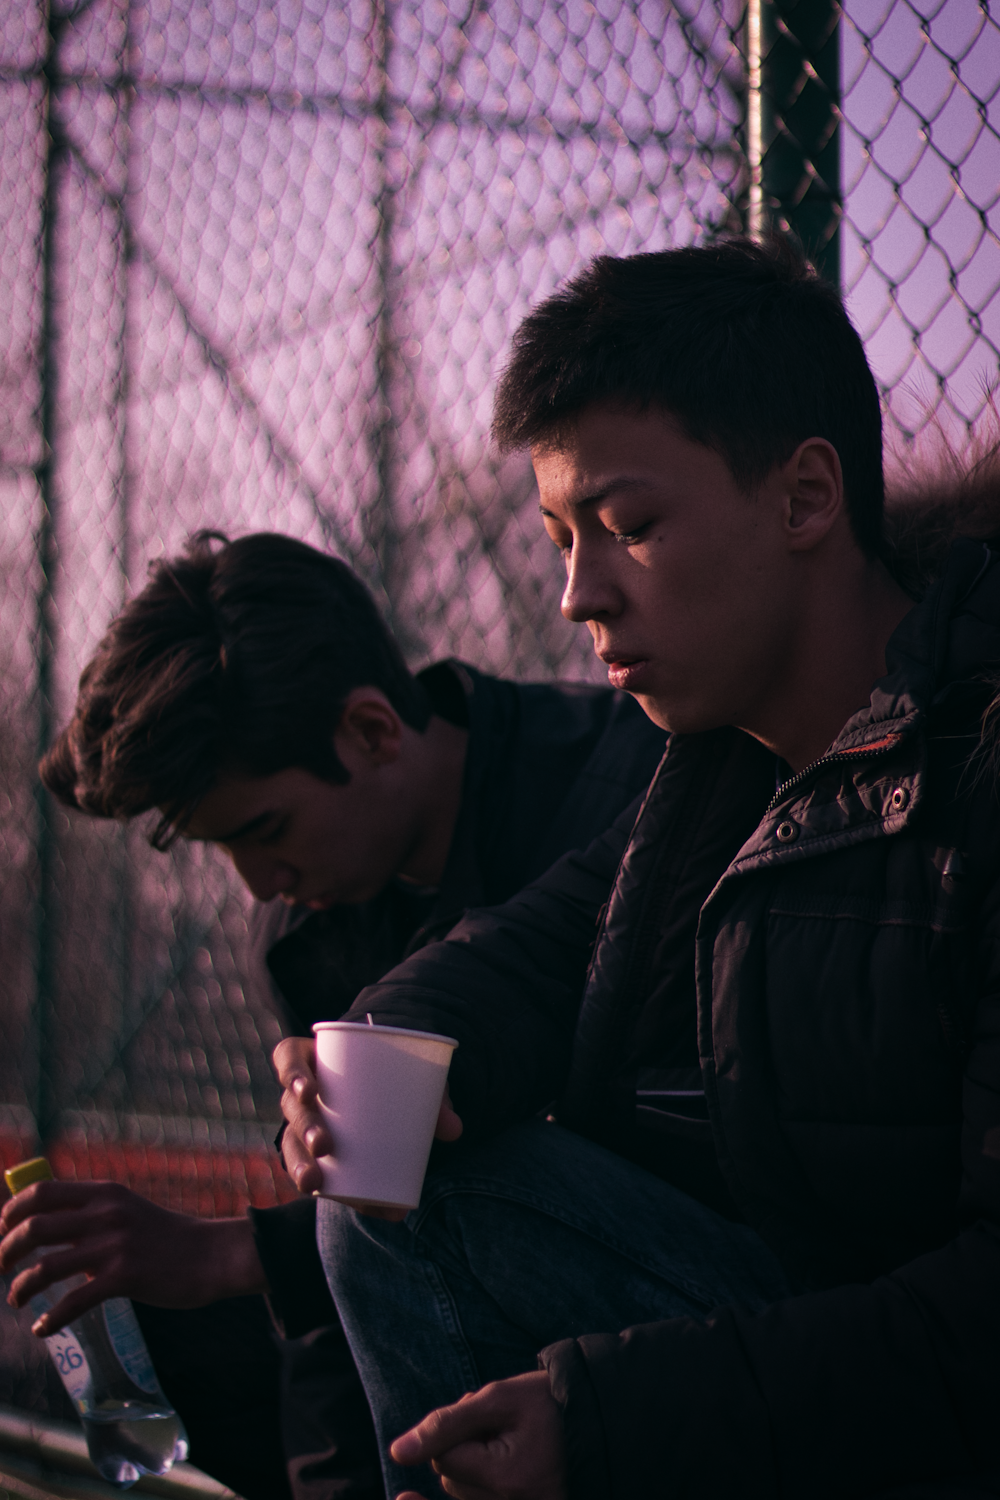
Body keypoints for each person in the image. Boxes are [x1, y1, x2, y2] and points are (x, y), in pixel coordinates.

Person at [275, 239, 1000, 1500]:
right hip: (807, 1345)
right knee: (398, 1192)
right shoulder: (728, 764)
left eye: (627, 527)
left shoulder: (975, 768)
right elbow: (540, 947)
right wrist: (387, 1045)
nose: (574, 595)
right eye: (560, 536)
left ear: (805, 499)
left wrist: (610, 1421)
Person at [0, 532, 665, 1500]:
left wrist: (245, 1248)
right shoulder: (301, 924)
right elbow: (333, 1309)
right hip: (423, 1299)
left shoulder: (616, 788)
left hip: (644, 1320)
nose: (258, 880)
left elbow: (537, 1187)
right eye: (218, 847)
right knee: (160, 1304)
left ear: (371, 731)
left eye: (264, 828)